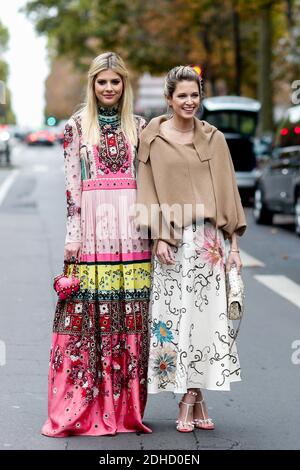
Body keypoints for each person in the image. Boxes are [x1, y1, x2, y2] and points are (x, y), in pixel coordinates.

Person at [42, 52, 152, 437]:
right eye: (102, 82)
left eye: (115, 82)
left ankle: (125, 408)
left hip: (134, 233)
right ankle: (89, 402)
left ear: (125, 85)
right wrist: (73, 235)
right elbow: (72, 188)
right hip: (93, 229)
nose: (108, 88)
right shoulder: (75, 127)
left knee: (129, 319)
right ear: (92, 85)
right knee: (92, 320)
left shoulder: (140, 127)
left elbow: (150, 184)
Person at [136, 65, 246, 432]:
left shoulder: (214, 138)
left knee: (205, 323)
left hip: (208, 245)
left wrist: (233, 246)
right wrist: (160, 235)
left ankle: (191, 396)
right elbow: (146, 189)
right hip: (170, 243)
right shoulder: (151, 136)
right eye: (181, 95)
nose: (189, 101)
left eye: (194, 95)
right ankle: (194, 398)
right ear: (169, 99)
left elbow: (228, 192)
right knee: (171, 322)